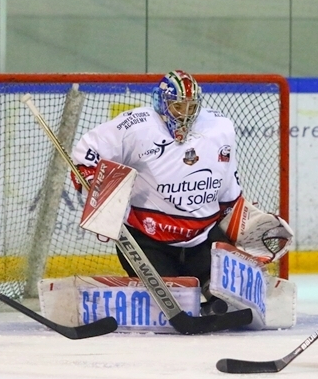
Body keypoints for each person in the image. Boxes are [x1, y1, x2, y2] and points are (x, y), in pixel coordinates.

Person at [71, 70, 242, 315]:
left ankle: (210, 288)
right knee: (175, 304)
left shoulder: (219, 128)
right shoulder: (135, 125)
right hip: (147, 241)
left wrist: (241, 225)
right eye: (177, 107)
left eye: (191, 107)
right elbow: (87, 153)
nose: (185, 115)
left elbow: (228, 186)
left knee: (231, 299)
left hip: (201, 239)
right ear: (162, 103)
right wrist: (96, 188)